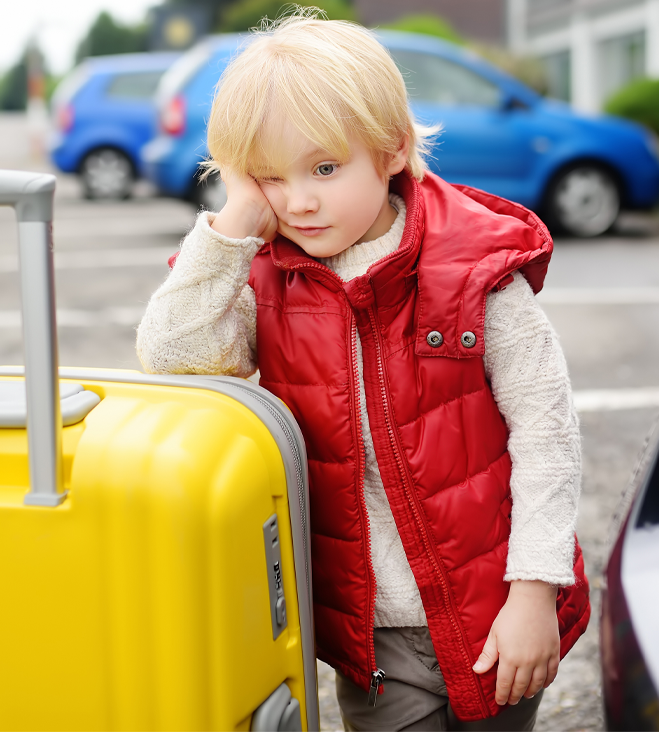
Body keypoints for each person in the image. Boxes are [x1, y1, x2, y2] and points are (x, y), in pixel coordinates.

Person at [136, 11, 589, 731]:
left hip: (495, 609)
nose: (299, 201)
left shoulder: (476, 272)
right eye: (269, 178)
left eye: (322, 168)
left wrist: (533, 590)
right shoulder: (265, 279)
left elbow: (546, 431)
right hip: (374, 638)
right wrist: (231, 227)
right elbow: (173, 353)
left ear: (392, 151)